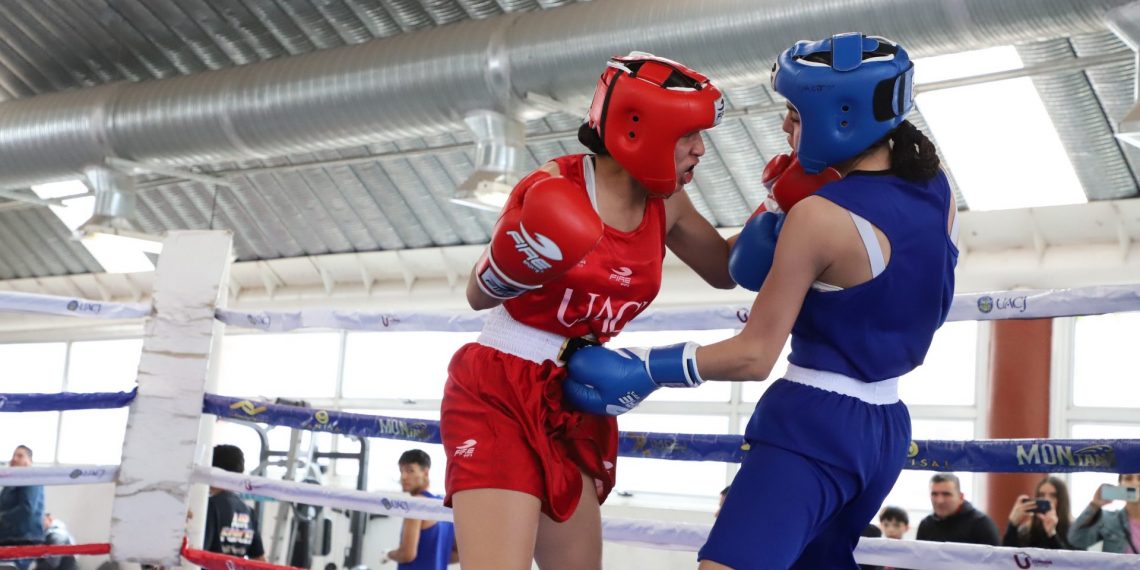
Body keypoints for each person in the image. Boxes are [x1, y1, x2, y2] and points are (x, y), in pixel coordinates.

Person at [562, 33, 958, 570]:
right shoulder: (938, 189)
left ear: (840, 115)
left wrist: (648, 367)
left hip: (813, 426)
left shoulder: (819, 216)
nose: (786, 126)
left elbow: (755, 355)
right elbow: (734, 270)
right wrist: (771, 209)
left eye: (795, 112)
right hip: (885, 430)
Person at [441, 51, 733, 570]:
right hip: (501, 386)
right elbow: (477, 296)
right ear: (643, 130)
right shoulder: (554, 187)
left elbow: (727, 270)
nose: (700, 150)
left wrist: (783, 211)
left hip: (576, 390)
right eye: (688, 134)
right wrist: (514, 261)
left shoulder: (667, 206)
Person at [382, 450, 456, 569]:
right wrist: (436, 559)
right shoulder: (445, 505)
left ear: (425, 473)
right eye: (401, 471)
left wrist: (388, 554)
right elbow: (457, 554)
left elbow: (407, 554)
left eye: (410, 470)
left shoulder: (417, 504)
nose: (403, 477)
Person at [203, 445, 265, 561]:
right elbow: (259, 559)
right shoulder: (248, 511)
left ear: (213, 471)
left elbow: (198, 552)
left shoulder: (209, 507)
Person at [915, 473, 999, 546]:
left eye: (946, 494)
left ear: (961, 497)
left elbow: (995, 561)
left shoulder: (981, 524)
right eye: (934, 494)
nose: (939, 501)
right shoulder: (926, 525)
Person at [1068, 472, 1140, 553]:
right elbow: (1076, 539)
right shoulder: (1108, 520)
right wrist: (1094, 505)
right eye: (1128, 478)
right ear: (1120, 486)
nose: (1135, 483)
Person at [0, 445, 45, 570]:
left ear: (29, 462)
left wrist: (2, 518)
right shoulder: (10, 483)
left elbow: (27, 509)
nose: (14, 459)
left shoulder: (31, 477)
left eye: (20, 456)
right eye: (13, 455)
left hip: (24, 540)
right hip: (7, 539)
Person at [1003, 475, 1073, 550]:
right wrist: (1013, 524)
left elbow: (1068, 560)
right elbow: (1008, 556)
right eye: (1041, 495)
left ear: (1062, 500)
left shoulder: (1073, 530)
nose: (1046, 499)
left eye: (1053, 496)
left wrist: (1052, 534)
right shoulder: (1027, 530)